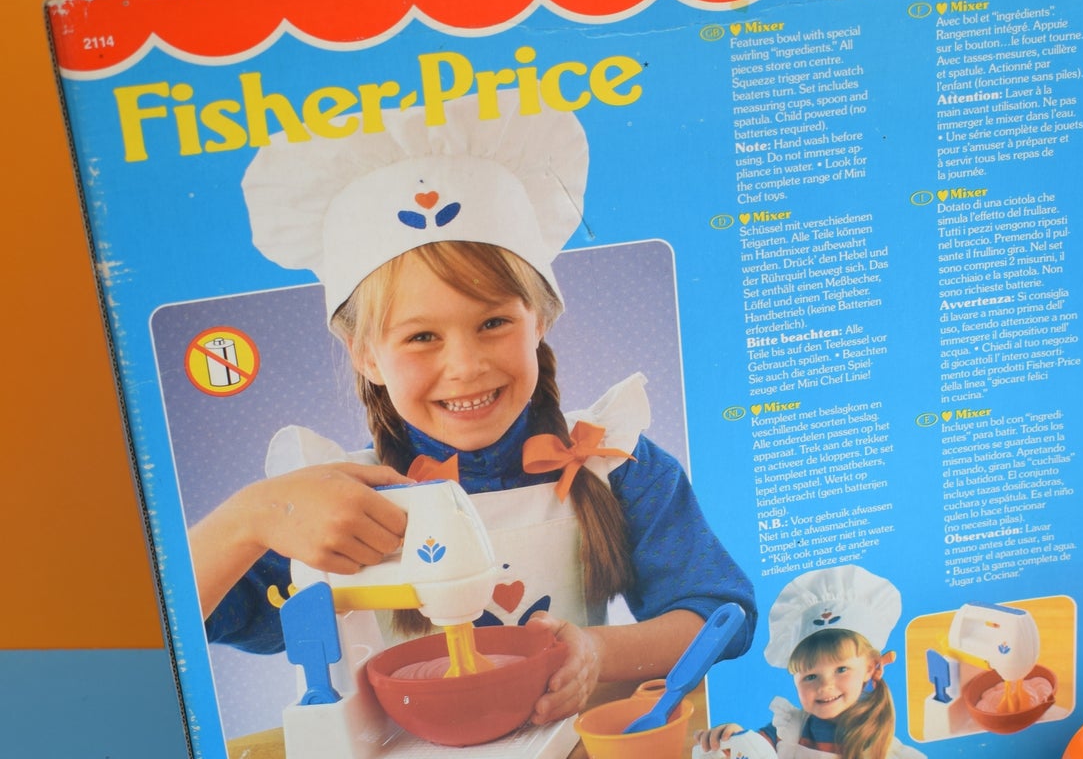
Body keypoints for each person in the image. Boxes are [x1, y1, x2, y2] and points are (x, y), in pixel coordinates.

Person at [189, 92, 755, 726]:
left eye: (492, 322)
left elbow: (721, 617)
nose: (465, 366)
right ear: (366, 355)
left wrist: (598, 651)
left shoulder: (613, 463)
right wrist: (249, 520)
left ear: (539, 319)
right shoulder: (338, 507)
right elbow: (184, 618)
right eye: (421, 337)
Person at [695, 565, 923, 759]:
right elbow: (753, 753)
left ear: (870, 667)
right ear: (795, 677)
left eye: (841, 669)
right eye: (810, 676)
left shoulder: (875, 746)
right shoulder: (789, 727)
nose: (825, 687)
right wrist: (731, 739)